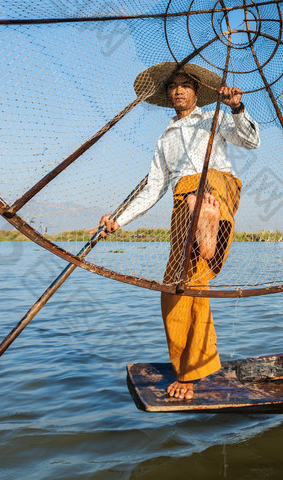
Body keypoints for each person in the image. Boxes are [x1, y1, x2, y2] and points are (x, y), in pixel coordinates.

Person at [98, 61, 260, 400]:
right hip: (182, 207)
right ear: (167, 93)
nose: (178, 90)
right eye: (173, 86)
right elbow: (152, 189)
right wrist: (118, 219)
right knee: (176, 288)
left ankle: (204, 219)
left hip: (218, 188)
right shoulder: (165, 138)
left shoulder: (213, 119)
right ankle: (191, 364)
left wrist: (237, 108)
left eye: (185, 84)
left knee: (198, 189)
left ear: (197, 92)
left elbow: (250, 141)